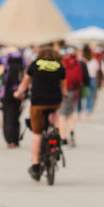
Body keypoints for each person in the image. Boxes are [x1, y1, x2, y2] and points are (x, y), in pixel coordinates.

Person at [14, 46, 66, 180]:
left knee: (37, 134)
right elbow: (63, 87)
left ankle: (36, 165)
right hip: (55, 101)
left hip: (38, 103)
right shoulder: (59, 67)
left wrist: (19, 93)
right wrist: (64, 95)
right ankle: (55, 135)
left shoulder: (34, 65)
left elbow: (25, 83)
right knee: (54, 115)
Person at [0, 46, 26, 148]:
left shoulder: (5, 63)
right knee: (16, 115)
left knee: (7, 116)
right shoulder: (22, 62)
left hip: (7, 92)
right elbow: (25, 77)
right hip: (19, 91)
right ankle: (16, 138)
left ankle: (10, 140)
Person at [59, 47, 83, 146]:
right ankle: (72, 133)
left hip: (64, 90)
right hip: (74, 90)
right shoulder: (77, 63)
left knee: (61, 115)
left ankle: (63, 138)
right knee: (70, 114)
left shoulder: (63, 63)